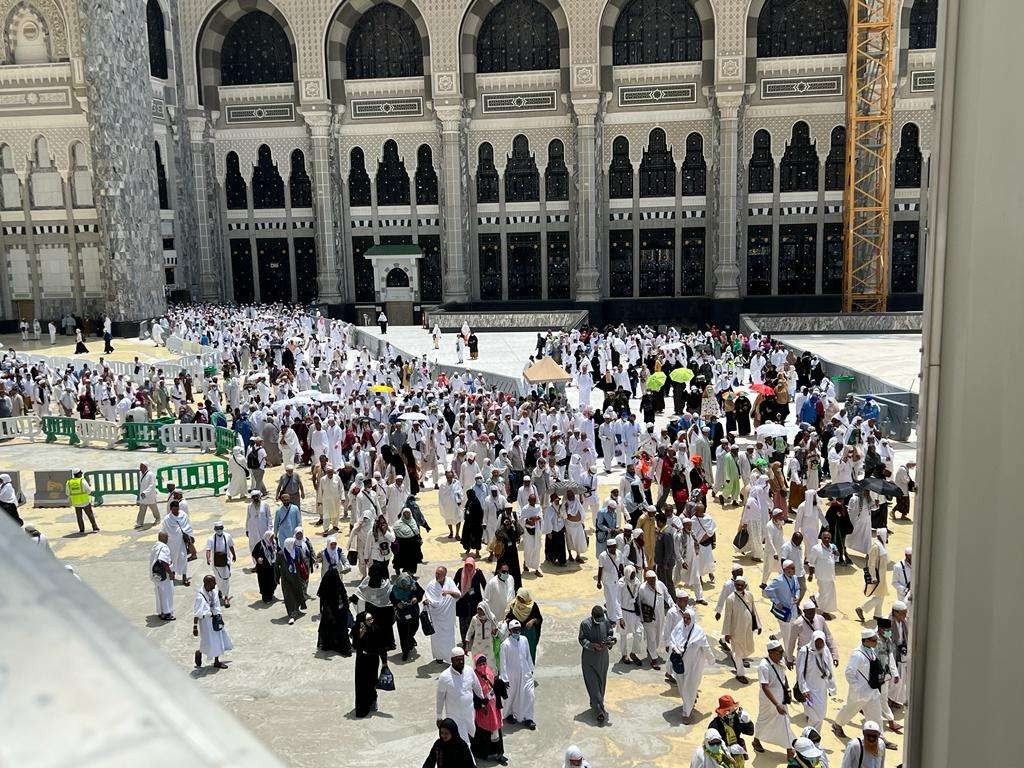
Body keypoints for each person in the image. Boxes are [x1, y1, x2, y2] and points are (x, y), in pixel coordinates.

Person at [832, 629, 887, 739]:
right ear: (866, 641)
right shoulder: (857, 654)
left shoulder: (871, 650)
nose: (876, 642)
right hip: (860, 693)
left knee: (876, 715)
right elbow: (849, 672)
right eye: (874, 640)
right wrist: (858, 687)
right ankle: (837, 725)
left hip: (872, 690)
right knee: (850, 710)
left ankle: (880, 737)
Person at [669, 608, 715, 722]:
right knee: (682, 687)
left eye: (688, 618)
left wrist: (711, 659)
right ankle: (690, 700)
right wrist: (674, 647)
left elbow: (705, 647)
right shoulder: (679, 627)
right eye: (684, 617)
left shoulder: (698, 632)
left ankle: (686, 713)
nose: (685, 620)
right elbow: (672, 638)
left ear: (693, 619)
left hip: (694, 666)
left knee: (689, 688)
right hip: (679, 664)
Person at [436, 646, 485, 746]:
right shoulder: (444, 677)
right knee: (464, 742)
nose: (461, 662)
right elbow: (440, 698)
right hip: (455, 716)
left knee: (471, 733)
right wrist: (439, 717)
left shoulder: (469, 671)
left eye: (462, 659)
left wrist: (483, 700)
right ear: (452, 660)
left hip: (469, 713)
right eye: (458, 660)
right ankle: (469, 761)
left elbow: (477, 686)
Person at [752, 639, 794, 757]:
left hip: (781, 699)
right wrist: (777, 705)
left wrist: (788, 689)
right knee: (764, 720)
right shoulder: (764, 666)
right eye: (779, 652)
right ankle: (756, 740)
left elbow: (783, 676)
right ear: (771, 652)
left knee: (784, 721)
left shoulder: (779, 662)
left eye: (782, 651)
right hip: (769, 701)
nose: (781, 654)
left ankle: (789, 749)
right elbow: (765, 687)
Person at [578, 605, 615, 723]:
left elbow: (610, 632)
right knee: (593, 684)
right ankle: (600, 711)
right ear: (592, 616)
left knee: (601, 683)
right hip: (589, 659)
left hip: (603, 658)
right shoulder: (585, 624)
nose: (600, 622)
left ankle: (596, 702)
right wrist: (592, 646)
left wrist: (609, 642)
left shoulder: (605, 621)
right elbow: (582, 639)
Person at [795, 630, 836, 732]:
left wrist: (832, 686)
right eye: (817, 642)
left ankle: (813, 741)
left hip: (822, 689)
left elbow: (829, 668)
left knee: (821, 716)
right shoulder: (805, 651)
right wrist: (804, 689)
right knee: (814, 717)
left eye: (821, 642)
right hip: (809, 690)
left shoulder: (825, 650)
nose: (819, 645)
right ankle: (808, 738)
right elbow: (800, 672)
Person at [721, 576, 760, 683]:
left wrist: (758, 625)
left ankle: (738, 663)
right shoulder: (730, 598)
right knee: (738, 652)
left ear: (745, 586)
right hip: (736, 630)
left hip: (747, 628)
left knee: (746, 647)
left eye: (741, 585)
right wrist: (727, 633)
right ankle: (740, 673)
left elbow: (753, 611)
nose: (739, 587)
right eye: (737, 584)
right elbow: (727, 616)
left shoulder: (750, 595)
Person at [499, 619, 536, 729]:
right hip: (511, 676)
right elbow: (503, 663)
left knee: (529, 695)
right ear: (510, 631)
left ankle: (528, 718)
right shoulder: (505, 644)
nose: (517, 631)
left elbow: (528, 655)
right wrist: (504, 678)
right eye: (515, 629)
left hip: (525, 674)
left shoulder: (524, 640)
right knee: (511, 697)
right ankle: (509, 714)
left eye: (519, 629)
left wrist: (531, 669)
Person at [471, 654, 507, 763]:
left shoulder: (489, 671)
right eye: (479, 664)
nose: (482, 666)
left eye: (484, 663)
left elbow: (493, 684)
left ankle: (498, 753)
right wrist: (481, 703)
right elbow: (472, 693)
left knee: (496, 730)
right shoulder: (473, 677)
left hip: (493, 707)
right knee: (483, 731)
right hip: (483, 710)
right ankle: (482, 754)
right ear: (475, 665)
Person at [352, 611, 387, 717]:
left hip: (373, 660)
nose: (371, 621)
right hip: (361, 661)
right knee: (361, 683)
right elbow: (355, 646)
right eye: (368, 619)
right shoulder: (356, 630)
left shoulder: (376, 629)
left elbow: (382, 647)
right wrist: (361, 635)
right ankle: (362, 707)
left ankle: (373, 700)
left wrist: (384, 662)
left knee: (372, 681)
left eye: (372, 618)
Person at [193, 575, 232, 669]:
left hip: (215, 619)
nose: (215, 584)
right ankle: (199, 652)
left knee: (218, 639)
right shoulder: (200, 597)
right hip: (205, 622)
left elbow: (217, 606)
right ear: (207, 583)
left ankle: (216, 661)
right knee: (208, 641)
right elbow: (197, 613)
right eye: (213, 582)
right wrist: (195, 627)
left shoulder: (214, 591)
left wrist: (220, 618)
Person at [424, 566, 461, 663]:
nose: (436, 575)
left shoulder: (449, 582)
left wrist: (448, 592)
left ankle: (450, 657)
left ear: (444, 575)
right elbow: (427, 598)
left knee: (449, 639)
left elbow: (458, 595)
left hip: (448, 617)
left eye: (439, 574)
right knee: (437, 639)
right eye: (436, 573)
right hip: (437, 618)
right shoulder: (431, 585)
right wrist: (426, 602)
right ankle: (439, 657)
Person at [316, 566, 352, 656]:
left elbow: (344, 597)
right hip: (332, 613)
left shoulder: (334, 585)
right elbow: (326, 603)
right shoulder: (331, 587)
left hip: (339, 612)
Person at [856, 528, 890, 622]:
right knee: (879, 597)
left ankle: (877, 615)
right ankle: (861, 608)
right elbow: (871, 563)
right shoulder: (875, 547)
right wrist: (873, 577)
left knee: (881, 595)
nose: (887, 537)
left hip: (882, 576)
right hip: (877, 576)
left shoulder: (882, 546)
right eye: (886, 535)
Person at [391, 571, 424, 661]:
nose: (405, 588)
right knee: (403, 633)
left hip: (413, 611)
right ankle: (405, 652)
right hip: (401, 614)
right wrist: (397, 603)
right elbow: (391, 598)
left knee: (414, 628)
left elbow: (420, 592)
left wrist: (416, 598)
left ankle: (410, 639)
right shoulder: (395, 588)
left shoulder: (414, 585)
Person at [160, 500, 193, 586]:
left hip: (182, 542)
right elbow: (163, 531)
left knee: (183, 558)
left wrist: (190, 536)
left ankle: (184, 578)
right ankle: (172, 575)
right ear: (171, 509)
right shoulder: (167, 519)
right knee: (173, 559)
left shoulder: (183, 515)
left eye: (177, 509)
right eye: (174, 510)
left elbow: (188, 526)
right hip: (171, 543)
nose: (176, 511)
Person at [507, 588, 543, 664]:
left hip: (529, 634)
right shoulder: (514, 605)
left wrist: (533, 621)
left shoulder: (532, 606)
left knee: (529, 654)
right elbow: (509, 617)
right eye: (519, 598)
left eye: (522, 598)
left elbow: (539, 619)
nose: (520, 601)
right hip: (516, 634)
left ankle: (529, 673)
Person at [204, 521, 236, 607]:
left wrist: (234, 555)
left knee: (226, 580)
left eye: (221, 528)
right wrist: (208, 558)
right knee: (218, 580)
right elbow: (208, 549)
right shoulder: (211, 538)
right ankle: (220, 591)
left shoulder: (227, 536)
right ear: (214, 529)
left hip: (226, 562)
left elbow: (231, 546)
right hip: (216, 563)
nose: (219, 530)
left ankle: (226, 597)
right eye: (218, 529)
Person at [278, 537, 309, 624]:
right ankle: (291, 615)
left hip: (297, 578)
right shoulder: (281, 554)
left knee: (298, 594)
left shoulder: (297, 551)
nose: (295, 545)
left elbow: (302, 561)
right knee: (289, 597)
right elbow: (276, 566)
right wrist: (276, 578)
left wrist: (305, 572)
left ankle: (297, 610)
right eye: (293, 544)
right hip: (286, 580)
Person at [65, 468, 99, 533]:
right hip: (84, 501)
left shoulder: (69, 482)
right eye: (81, 473)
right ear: (79, 474)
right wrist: (89, 486)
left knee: (79, 516)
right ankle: (95, 528)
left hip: (75, 502)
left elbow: (67, 493)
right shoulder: (82, 481)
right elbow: (89, 491)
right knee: (90, 514)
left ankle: (81, 530)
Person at [150, 532, 174, 621]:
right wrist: (170, 573)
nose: (167, 539)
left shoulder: (156, 546)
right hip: (163, 575)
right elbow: (163, 561)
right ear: (163, 538)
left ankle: (161, 612)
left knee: (159, 593)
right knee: (166, 593)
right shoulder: (164, 547)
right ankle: (167, 613)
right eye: (166, 537)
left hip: (156, 575)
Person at [252, 530, 279, 603]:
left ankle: (271, 594)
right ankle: (266, 598)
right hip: (263, 569)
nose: (272, 539)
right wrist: (258, 558)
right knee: (265, 584)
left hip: (272, 566)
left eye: (273, 537)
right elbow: (254, 553)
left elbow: (277, 551)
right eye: (271, 537)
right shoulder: (260, 544)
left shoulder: (274, 543)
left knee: (273, 581)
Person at [135, 462, 159, 527]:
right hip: (143, 495)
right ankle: (139, 522)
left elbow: (152, 485)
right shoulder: (141, 474)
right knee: (142, 509)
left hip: (149, 495)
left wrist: (145, 492)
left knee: (154, 509)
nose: (140, 468)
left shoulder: (151, 474)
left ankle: (158, 519)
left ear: (145, 467)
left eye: (141, 466)